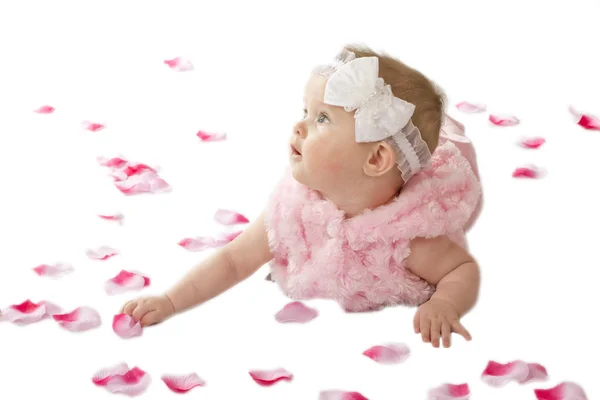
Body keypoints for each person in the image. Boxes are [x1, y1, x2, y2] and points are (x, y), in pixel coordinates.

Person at [120, 45, 483, 349]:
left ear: (375, 159)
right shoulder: (293, 209)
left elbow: (461, 269)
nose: (299, 125)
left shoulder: (410, 237)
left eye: (322, 118)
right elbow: (233, 260)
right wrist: (169, 301)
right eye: (305, 111)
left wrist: (445, 302)